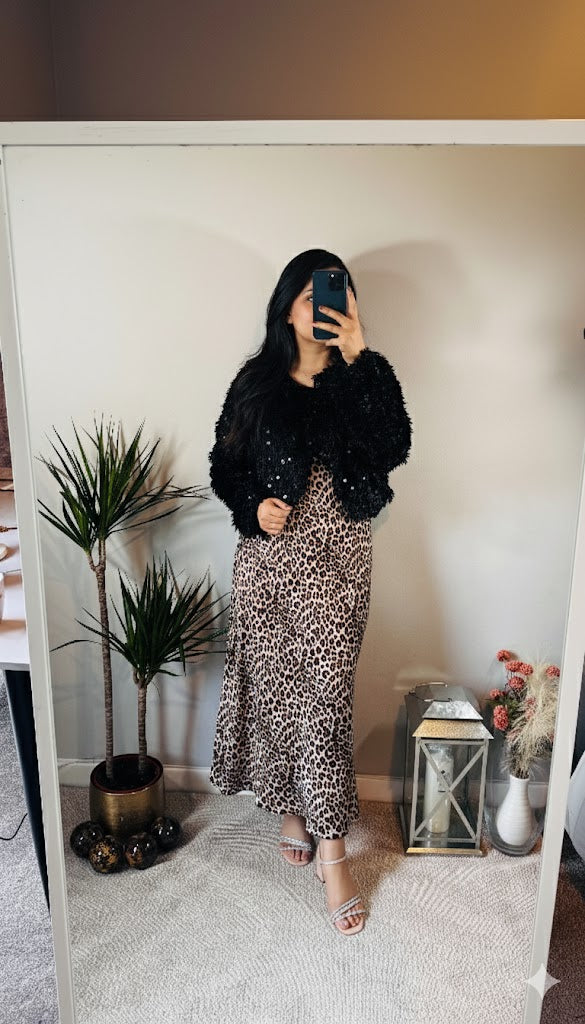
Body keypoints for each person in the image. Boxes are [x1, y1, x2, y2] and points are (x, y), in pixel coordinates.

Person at [208, 248, 412, 935]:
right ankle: (301, 819)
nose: (324, 307)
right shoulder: (256, 381)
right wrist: (252, 507)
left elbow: (391, 447)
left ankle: (327, 843)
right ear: (287, 307)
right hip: (269, 558)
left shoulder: (362, 376)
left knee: (323, 697)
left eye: (337, 295)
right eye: (311, 296)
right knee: (279, 694)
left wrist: (359, 355)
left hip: (339, 555)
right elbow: (225, 465)